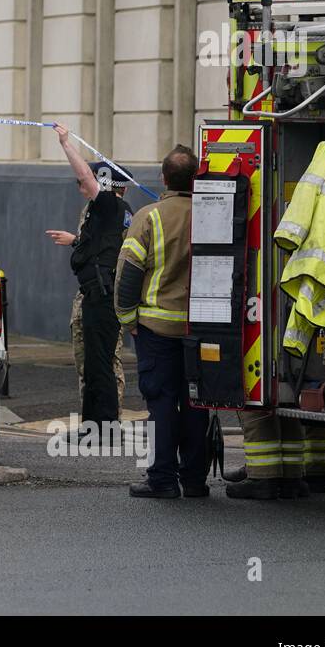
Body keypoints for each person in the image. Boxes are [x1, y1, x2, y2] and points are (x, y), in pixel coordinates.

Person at [114, 144, 207, 498]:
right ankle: (195, 481)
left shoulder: (148, 217)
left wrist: (127, 319)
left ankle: (163, 480)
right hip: (202, 329)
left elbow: (127, 275)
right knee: (198, 403)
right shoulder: (212, 213)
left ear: (164, 178)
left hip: (155, 329)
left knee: (162, 404)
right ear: (196, 178)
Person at [45, 124, 131, 430]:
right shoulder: (110, 211)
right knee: (94, 365)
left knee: (102, 365)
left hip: (102, 296)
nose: (81, 185)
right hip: (96, 293)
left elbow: (85, 177)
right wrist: (76, 241)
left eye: (92, 182)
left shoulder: (109, 204)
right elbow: (104, 245)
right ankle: (93, 427)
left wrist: (66, 144)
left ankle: (104, 428)